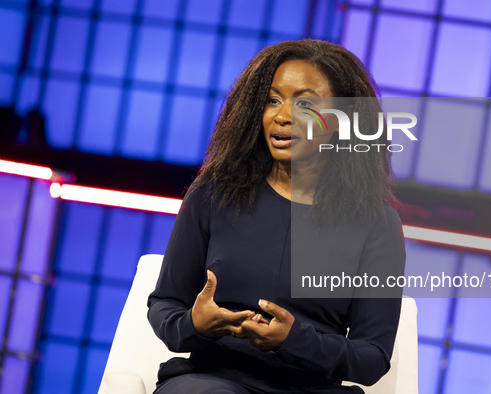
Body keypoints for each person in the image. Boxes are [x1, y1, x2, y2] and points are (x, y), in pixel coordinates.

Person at [147, 39, 406, 393]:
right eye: (272, 100)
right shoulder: (212, 193)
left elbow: (372, 357)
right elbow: (165, 303)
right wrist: (195, 324)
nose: (282, 116)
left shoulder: (377, 223)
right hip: (215, 379)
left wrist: (294, 339)